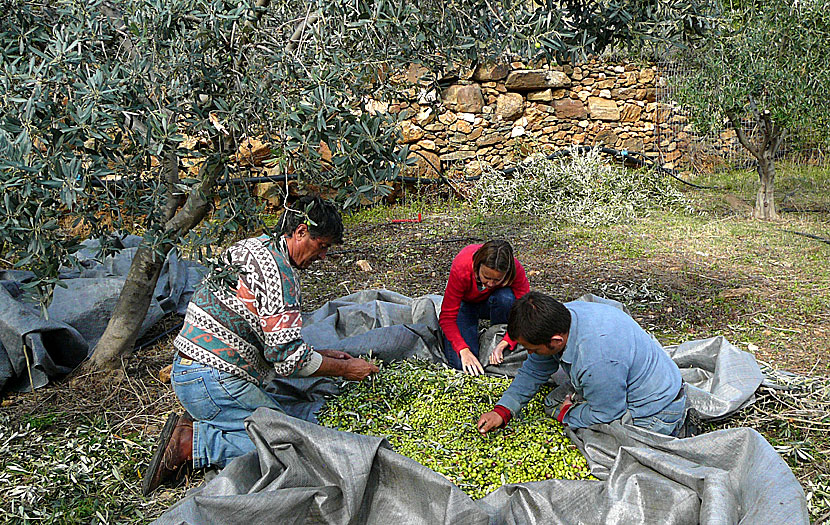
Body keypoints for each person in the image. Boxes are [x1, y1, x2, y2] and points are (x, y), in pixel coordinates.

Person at [143, 195, 379, 496]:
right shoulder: (281, 275)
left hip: (190, 372)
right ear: (301, 231)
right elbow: (288, 360)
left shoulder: (250, 247)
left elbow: (272, 342)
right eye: (322, 246)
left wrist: (320, 355)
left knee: (288, 425)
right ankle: (193, 444)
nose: (322, 256)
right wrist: (345, 369)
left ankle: (210, 420)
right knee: (293, 448)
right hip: (215, 381)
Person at [477, 291, 687, 437]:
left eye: (532, 348)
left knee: (606, 447)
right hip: (621, 377)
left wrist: (567, 414)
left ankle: (675, 426)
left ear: (556, 342)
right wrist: (503, 410)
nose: (529, 353)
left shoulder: (596, 359)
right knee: (553, 401)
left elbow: (608, 414)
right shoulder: (562, 317)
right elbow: (533, 369)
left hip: (656, 411)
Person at [439, 240, 530, 376]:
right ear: (476, 267)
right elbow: (447, 317)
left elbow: (525, 310)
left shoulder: (515, 269)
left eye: (498, 280)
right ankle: (476, 340)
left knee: (506, 298)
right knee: (462, 365)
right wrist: (463, 350)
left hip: (494, 301)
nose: (491, 284)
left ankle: (496, 336)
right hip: (465, 305)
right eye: (486, 277)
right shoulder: (462, 266)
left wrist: (507, 340)